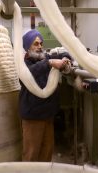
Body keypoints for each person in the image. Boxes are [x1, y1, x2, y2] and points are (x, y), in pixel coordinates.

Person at [19, 29, 71, 162]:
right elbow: (29, 74)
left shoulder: (44, 57)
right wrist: (49, 63)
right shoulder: (23, 64)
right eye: (35, 44)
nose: (40, 47)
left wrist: (66, 58)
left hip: (48, 115)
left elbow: (64, 53)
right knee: (31, 153)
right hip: (33, 117)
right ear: (27, 46)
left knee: (46, 151)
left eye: (41, 43)